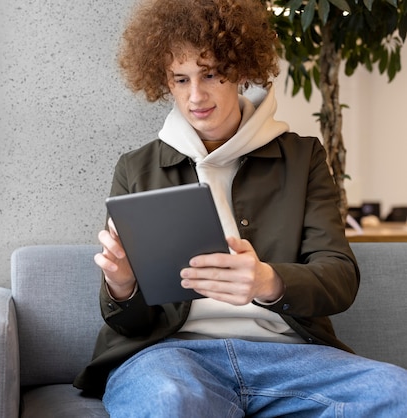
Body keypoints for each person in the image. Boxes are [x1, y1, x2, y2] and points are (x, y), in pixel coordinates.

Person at [72, 0, 407, 416]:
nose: (196, 96)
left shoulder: (303, 159)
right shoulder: (137, 167)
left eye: (211, 74)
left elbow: (340, 278)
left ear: (241, 70)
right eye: (181, 79)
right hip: (172, 358)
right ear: (165, 82)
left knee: (397, 392)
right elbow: (132, 324)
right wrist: (123, 287)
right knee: (168, 403)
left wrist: (269, 281)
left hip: (289, 358)